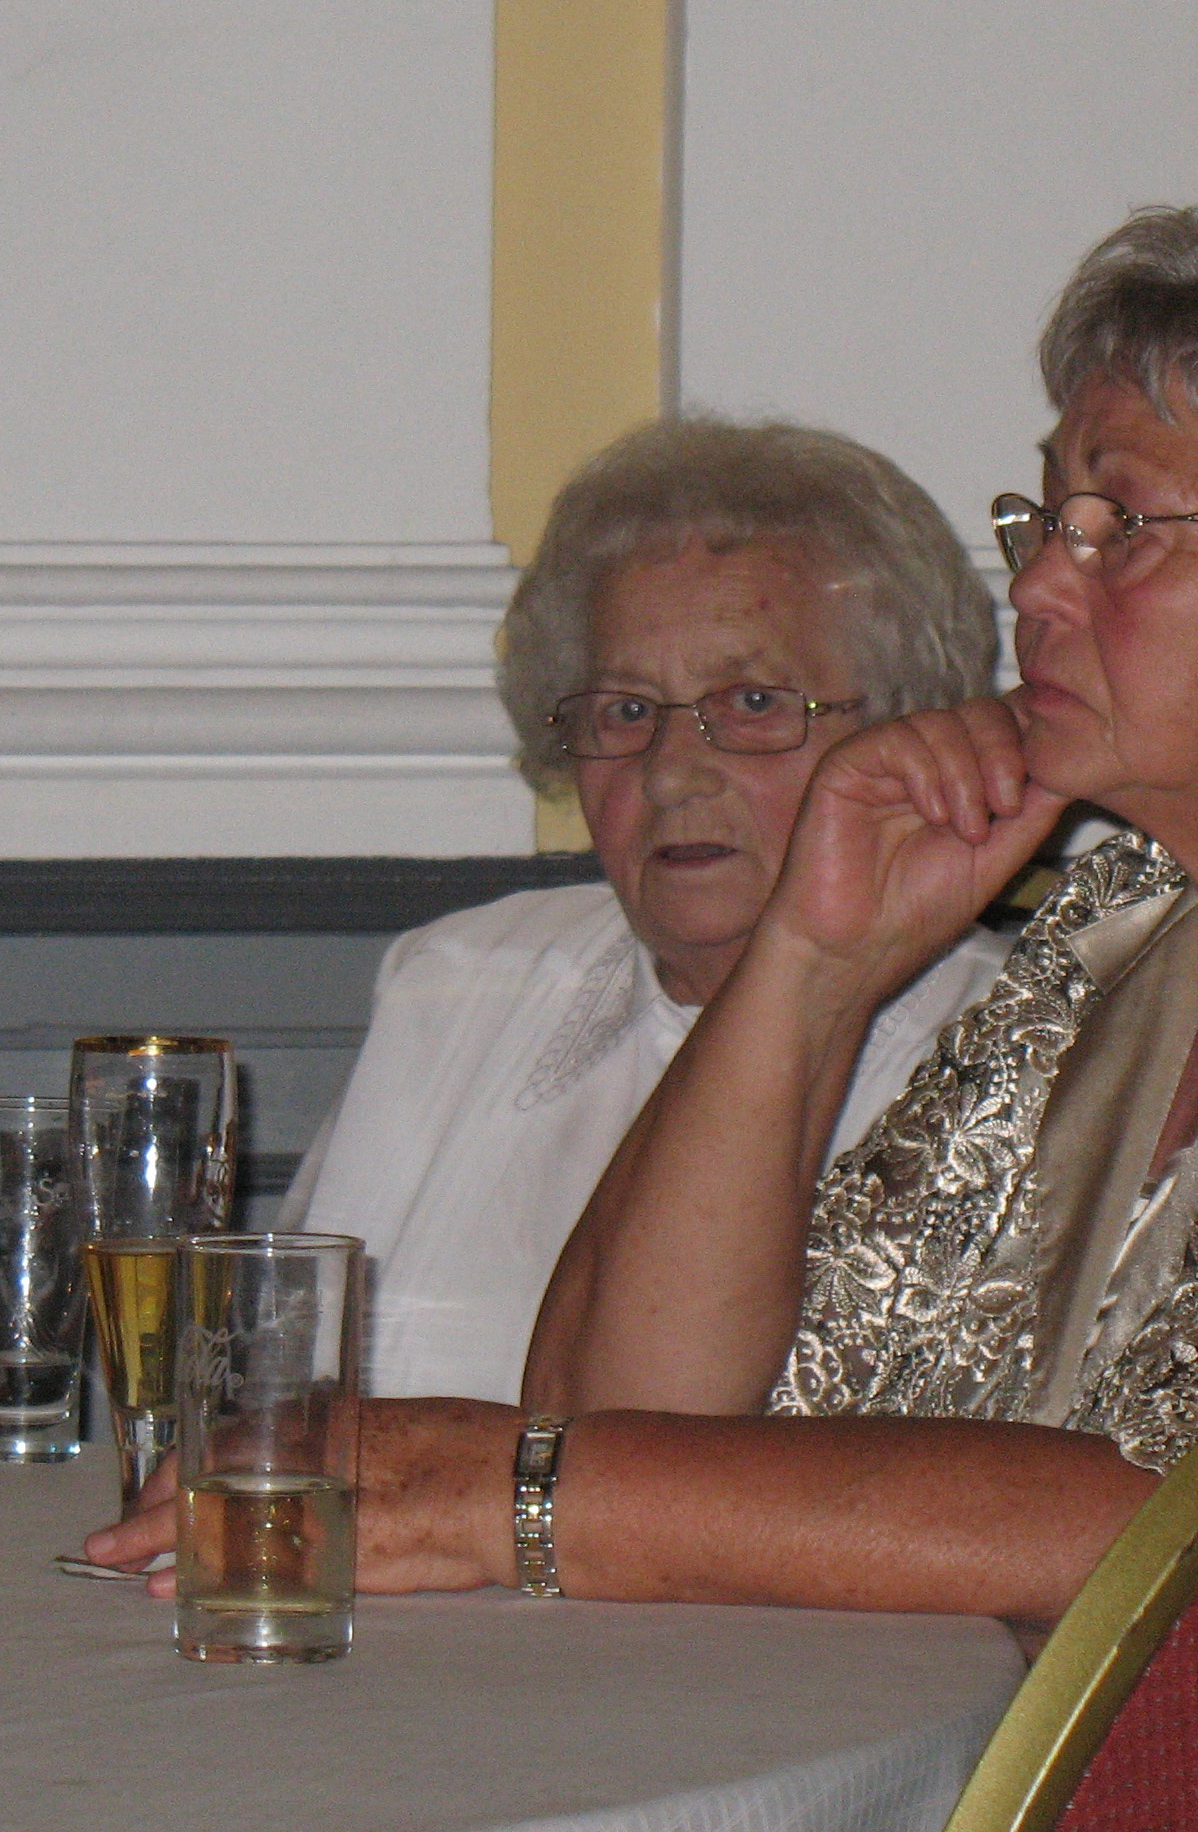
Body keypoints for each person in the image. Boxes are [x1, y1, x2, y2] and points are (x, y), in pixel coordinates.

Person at [99, 184, 1198, 1726]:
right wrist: (812, 962)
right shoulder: (1119, 934)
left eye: (1121, 529)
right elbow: (633, 1403)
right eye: (1042, 521)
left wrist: (517, 1494)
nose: (1039, 592)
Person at [279, 419, 1012, 1402]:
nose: (671, 775)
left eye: (753, 703)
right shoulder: (458, 987)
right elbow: (279, 1400)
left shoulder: (1009, 1052)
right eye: (625, 711)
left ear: (906, 729)